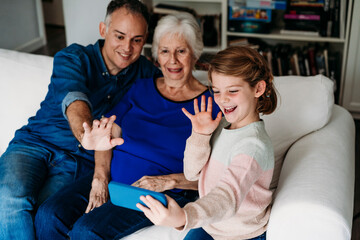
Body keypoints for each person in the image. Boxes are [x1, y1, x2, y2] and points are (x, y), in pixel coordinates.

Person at [35, 12, 221, 240]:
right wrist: (100, 178)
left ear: (195, 54)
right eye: (165, 51)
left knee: (87, 230)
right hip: (114, 180)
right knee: (48, 215)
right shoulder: (140, 87)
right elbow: (108, 132)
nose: (172, 60)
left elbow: (219, 173)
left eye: (181, 51)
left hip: (157, 192)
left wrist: (169, 180)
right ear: (156, 56)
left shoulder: (211, 104)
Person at [0, 1, 161, 239]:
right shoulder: (73, 57)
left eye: (137, 40)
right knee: (9, 197)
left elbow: (175, 81)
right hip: (35, 145)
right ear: (103, 30)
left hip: (77, 163)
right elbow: (74, 99)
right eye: (119, 36)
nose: (127, 47)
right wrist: (86, 133)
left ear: (145, 39)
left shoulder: (145, 73)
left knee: (43, 213)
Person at [138, 46, 278, 240]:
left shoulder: (253, 146)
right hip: (212, 224)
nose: (223, 99)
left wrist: (184, 216)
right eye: (217, 91)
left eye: (233, 90)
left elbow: (227, 197)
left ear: (258, 89)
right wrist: (200, 135)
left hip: (242, 235)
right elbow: (192, 172)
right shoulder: (221, 125)